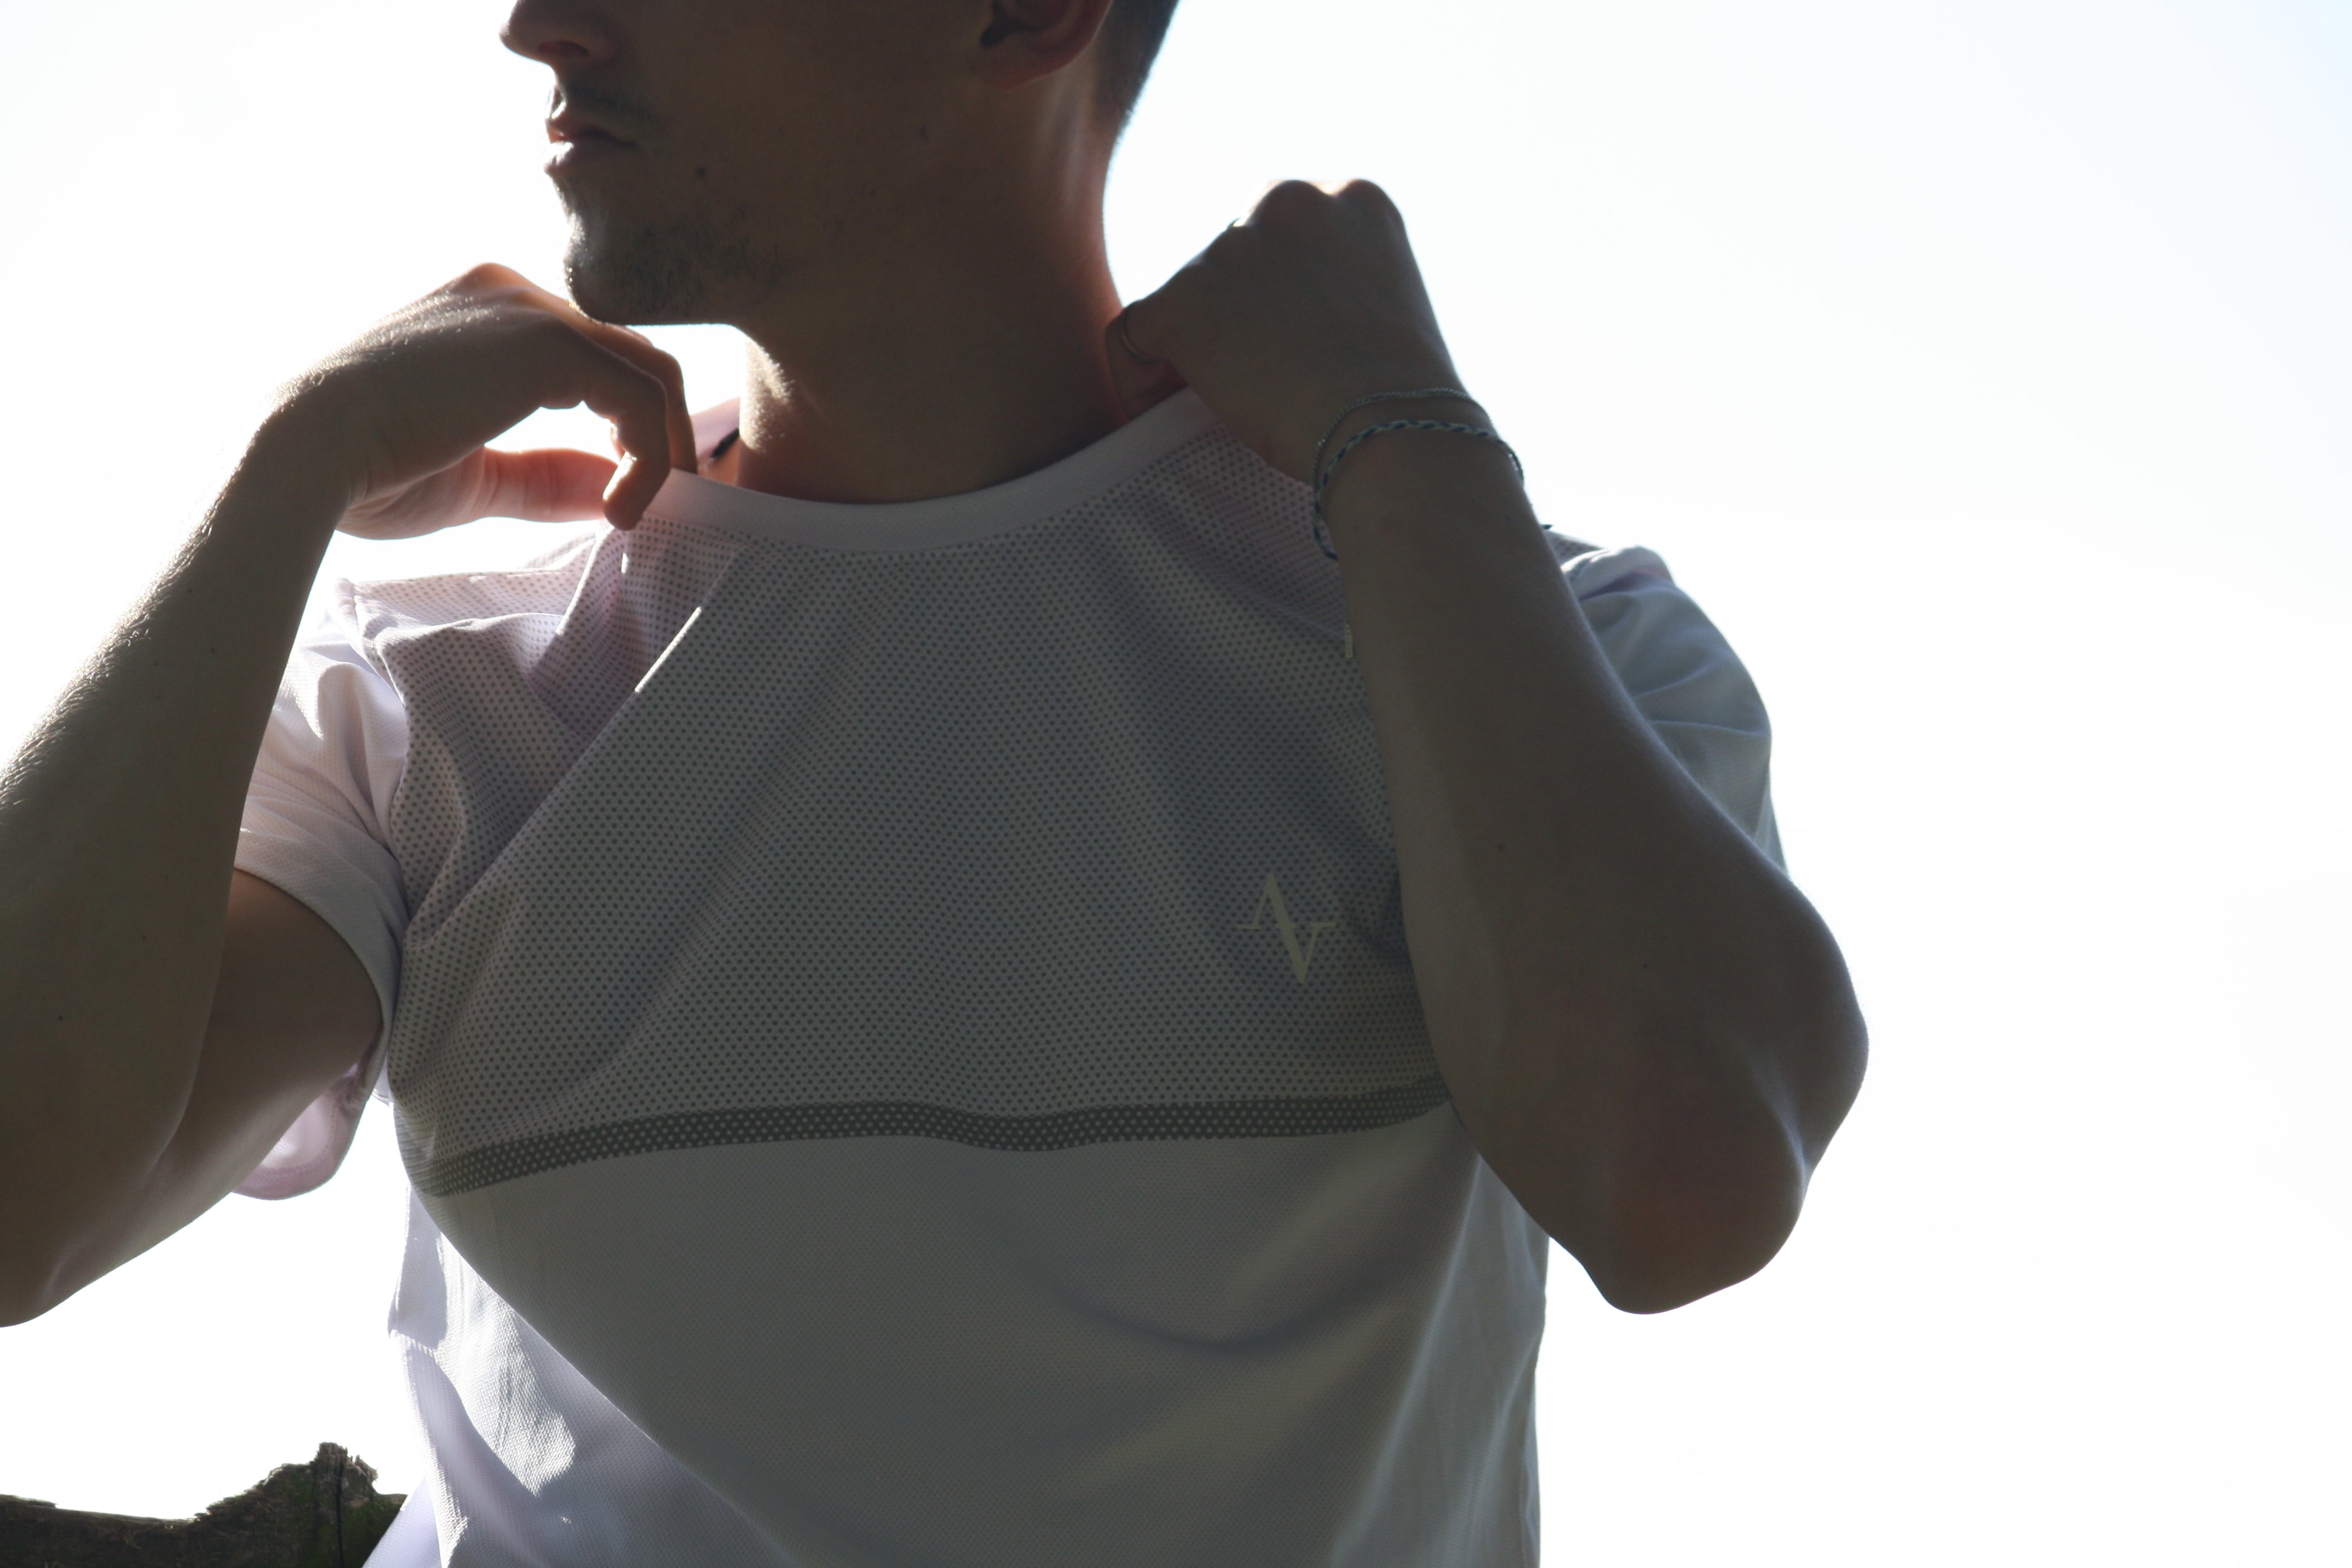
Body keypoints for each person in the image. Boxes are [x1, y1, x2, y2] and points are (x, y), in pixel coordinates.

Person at [0, 0, 1867, 1561]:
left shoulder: (1495, 646)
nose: (534, 20)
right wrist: (285, 475)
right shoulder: (437, 691)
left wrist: (1412, 451)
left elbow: (1677, 1184)